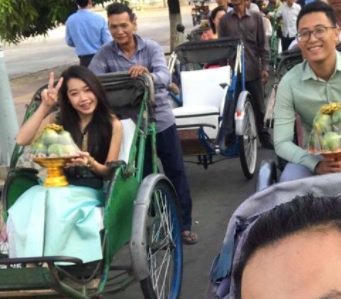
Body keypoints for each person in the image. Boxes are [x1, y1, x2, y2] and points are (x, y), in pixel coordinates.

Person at [89, 2, 198, 245]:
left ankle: (184, 225)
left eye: (124, 25)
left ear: (134, 24)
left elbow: (164, 76)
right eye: (113, 27)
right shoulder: (105, 54)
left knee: (176, 172)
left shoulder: (150, 48)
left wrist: (146, 75)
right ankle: (155, 223)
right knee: (142, 176)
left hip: (160, 120)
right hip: (131, 126)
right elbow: (92, 81)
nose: (119, 31)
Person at [7, 66, 123, 263]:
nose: (83, 98)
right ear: (67, 98)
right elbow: (22, 140)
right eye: (74, 93)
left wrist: (91, 163)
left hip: (90, 190)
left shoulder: (112, 124)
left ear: (96, 90)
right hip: (56, 186)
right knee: (31, 200)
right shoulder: (58, 119)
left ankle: (55, 264)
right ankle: (32, 262)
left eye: (87, 90)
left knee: (53, 201)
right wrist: (45, 107)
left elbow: (109, 172)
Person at [274, 1, 341, 181]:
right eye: (304, 33)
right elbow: (281, 142)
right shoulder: (289, 83)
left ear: (336, 33)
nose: (312, 39)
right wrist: (314, 164)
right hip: (314, 155)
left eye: (320, 30)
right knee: (289, 180)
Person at [218, 0, 274, 149]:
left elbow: (263, 45)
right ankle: (233, 141)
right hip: (234, 74)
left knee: (259, 107)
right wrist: (223, 71)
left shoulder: (256, 17)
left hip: (253, 69)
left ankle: (264, 137)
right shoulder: (225, 20)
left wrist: (265, 67)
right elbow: (222, 48)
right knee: (232, 107)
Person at [65, 0, 111, 67]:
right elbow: (107, 41)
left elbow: (69, 42)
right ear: (90, 1)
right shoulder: (99, 19)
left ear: (76, 2)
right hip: (99, 57)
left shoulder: (70, 20)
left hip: (83, 60)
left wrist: (80, 43)